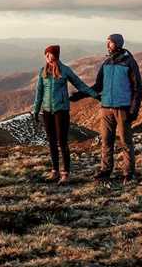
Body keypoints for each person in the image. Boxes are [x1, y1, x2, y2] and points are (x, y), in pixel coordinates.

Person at [32, 44, 98, 184]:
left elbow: (80, 85)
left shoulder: (65, 70)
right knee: (51, 142)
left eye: (51, 55)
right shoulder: (42, 71)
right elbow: (39, 93)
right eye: (47, 55)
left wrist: (95, 95)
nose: (48, 58)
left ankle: (65, 173)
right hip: (47, 111)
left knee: (62, 142)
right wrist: (36, 110)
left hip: (61, 110)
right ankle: (55, 171)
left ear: (56, 56)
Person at [89, 33, 142, 183]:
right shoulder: (106, 63)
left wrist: (134, 110)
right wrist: (82, 93)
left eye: (110, 43)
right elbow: (98, 86)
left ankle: (129, 172)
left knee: (126, 141)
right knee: (106, 141)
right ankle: (105, 170)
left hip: (123, 108)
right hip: (106, 107)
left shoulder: (129, 63)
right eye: (107, 43)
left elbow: (137, 88)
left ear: (118, 44)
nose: (107, 46)